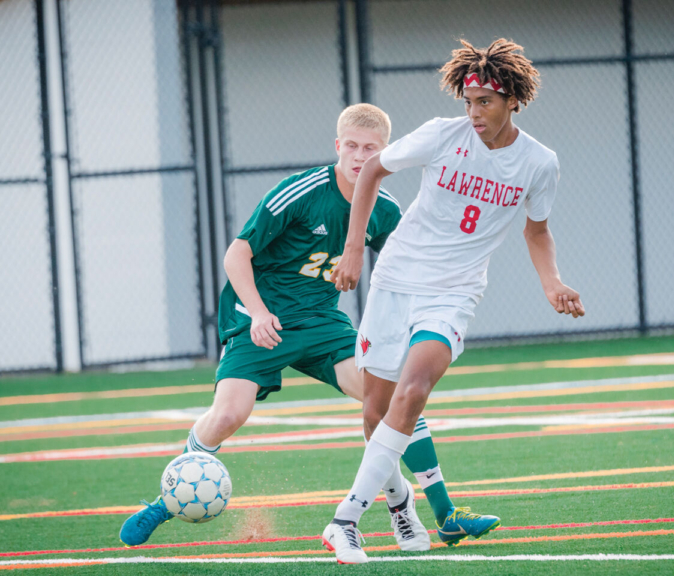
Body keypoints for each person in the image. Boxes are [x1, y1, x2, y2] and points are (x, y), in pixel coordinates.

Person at [119, 104, 498, 552]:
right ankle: (169, 499)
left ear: (387, 153)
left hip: (322, 321)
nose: (360, 156)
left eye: (371, 149)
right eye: (352, 147)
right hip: (260, 319)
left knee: (391, 398)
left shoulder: (385, 209)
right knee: (227, 416)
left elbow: (413, 261)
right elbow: (236, 254)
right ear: (338, 146)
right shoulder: (302, 192)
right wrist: (258, 313)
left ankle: (437, 513)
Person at [322, 38, 586, 564]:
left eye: (484, 102)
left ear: (513, 98)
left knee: (415, 388)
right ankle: (409, 513)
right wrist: (354, 251)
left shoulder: (539, 163)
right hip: (397, 281)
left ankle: (344, 520)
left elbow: (537, 232)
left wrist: (552, 281)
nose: (474, 112)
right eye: (468, 101)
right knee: (376, 413)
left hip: (455, 292)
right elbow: (372, 171)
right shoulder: (443, 135)